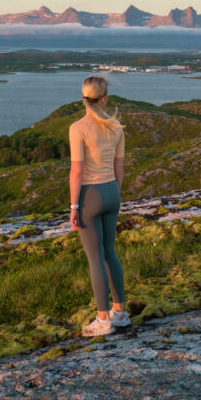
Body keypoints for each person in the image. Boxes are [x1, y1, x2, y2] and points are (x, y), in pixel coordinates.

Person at [69, 75, 129, 336]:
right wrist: (115, 193)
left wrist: (73, 207)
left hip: (89, 196)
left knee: (94, 257)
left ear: (83, 98)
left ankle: (103, 320)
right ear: (104, 98)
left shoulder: (78, 128)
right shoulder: (117, 127)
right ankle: (120, 313)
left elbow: (76, 172)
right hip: (112, 191)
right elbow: (120, 167)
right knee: (110, 253)